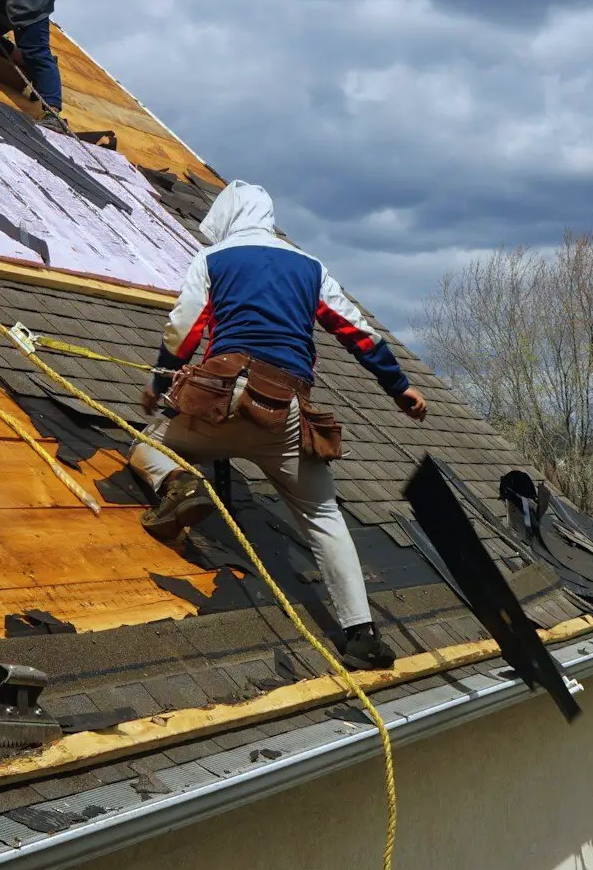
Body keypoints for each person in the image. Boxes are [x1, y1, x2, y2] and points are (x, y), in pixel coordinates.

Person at [130, 181, 429, 670]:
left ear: (227, 218)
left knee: (148, 446)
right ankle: (361, 634)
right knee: (323, 516)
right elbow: (358, 333)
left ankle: (181, 485)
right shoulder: (309, 267)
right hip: (284, 412)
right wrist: (400, 388)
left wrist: (158, 385)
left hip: (220, 404)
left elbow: (185, 328)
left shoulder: (215, 259)